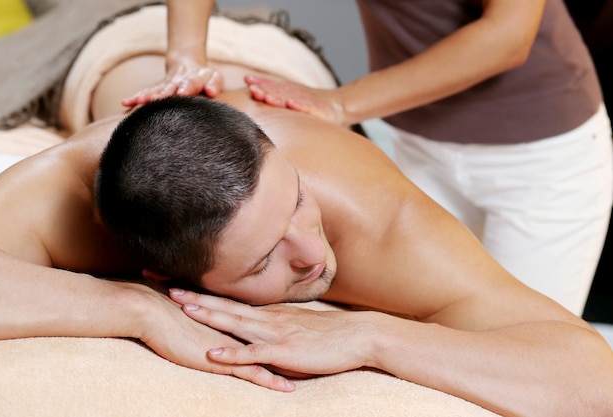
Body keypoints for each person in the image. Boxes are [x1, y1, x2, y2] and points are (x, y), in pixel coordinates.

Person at [0, 54, 612, 416]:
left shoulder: (375, 226)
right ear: (168, 276)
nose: (314, 254)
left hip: (260, 63)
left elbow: (593, 381)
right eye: (264, 261)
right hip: (110, 94)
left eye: (297, 201)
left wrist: (372, 334)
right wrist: (130, 308)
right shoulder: (57, 196)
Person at [126, 0, 613, 317]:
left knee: (523, 346)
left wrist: (341, 104)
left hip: (543, 156)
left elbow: (508, 36)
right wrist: (186, 57)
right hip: (416, 138)